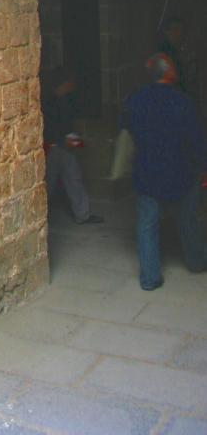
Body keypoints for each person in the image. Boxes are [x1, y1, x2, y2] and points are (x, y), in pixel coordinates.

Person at [121, 52, 207, 291]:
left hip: (147, 171)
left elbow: (125, 127)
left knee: (147, 224)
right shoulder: (183, 102)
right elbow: (197, 139)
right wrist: (203, 168)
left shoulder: (135, 99)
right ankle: (197, 261)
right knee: (189, 220)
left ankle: (150, 277)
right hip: (181, 171)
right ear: (170, 73)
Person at [41, 66, 103, 225]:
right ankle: (39, 216)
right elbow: (52, 129)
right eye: (70, 82)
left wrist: (75, 141)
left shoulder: (64, 101)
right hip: (54, 148)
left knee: (73, 179)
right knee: (48, 184)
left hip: (63, 148)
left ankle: (83, 214)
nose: (72, 85)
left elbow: (66, 128)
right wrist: (70, 141)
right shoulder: (49, 103)